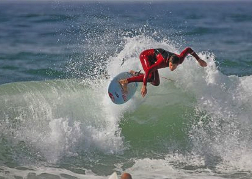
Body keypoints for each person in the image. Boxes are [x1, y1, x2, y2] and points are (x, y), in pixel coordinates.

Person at [119, 47, 207, 97]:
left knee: (156, 82)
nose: (172, 68)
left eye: (175, 66)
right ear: (169, 62)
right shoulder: (161, 62)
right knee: (150, 77)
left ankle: (136, 74)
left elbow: (188, 49)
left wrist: (199, 60)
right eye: (171, 65)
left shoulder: (180, 59)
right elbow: (149, 70)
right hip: (145, 56)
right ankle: (125, 82)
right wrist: (144, 86)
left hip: (153, 60)